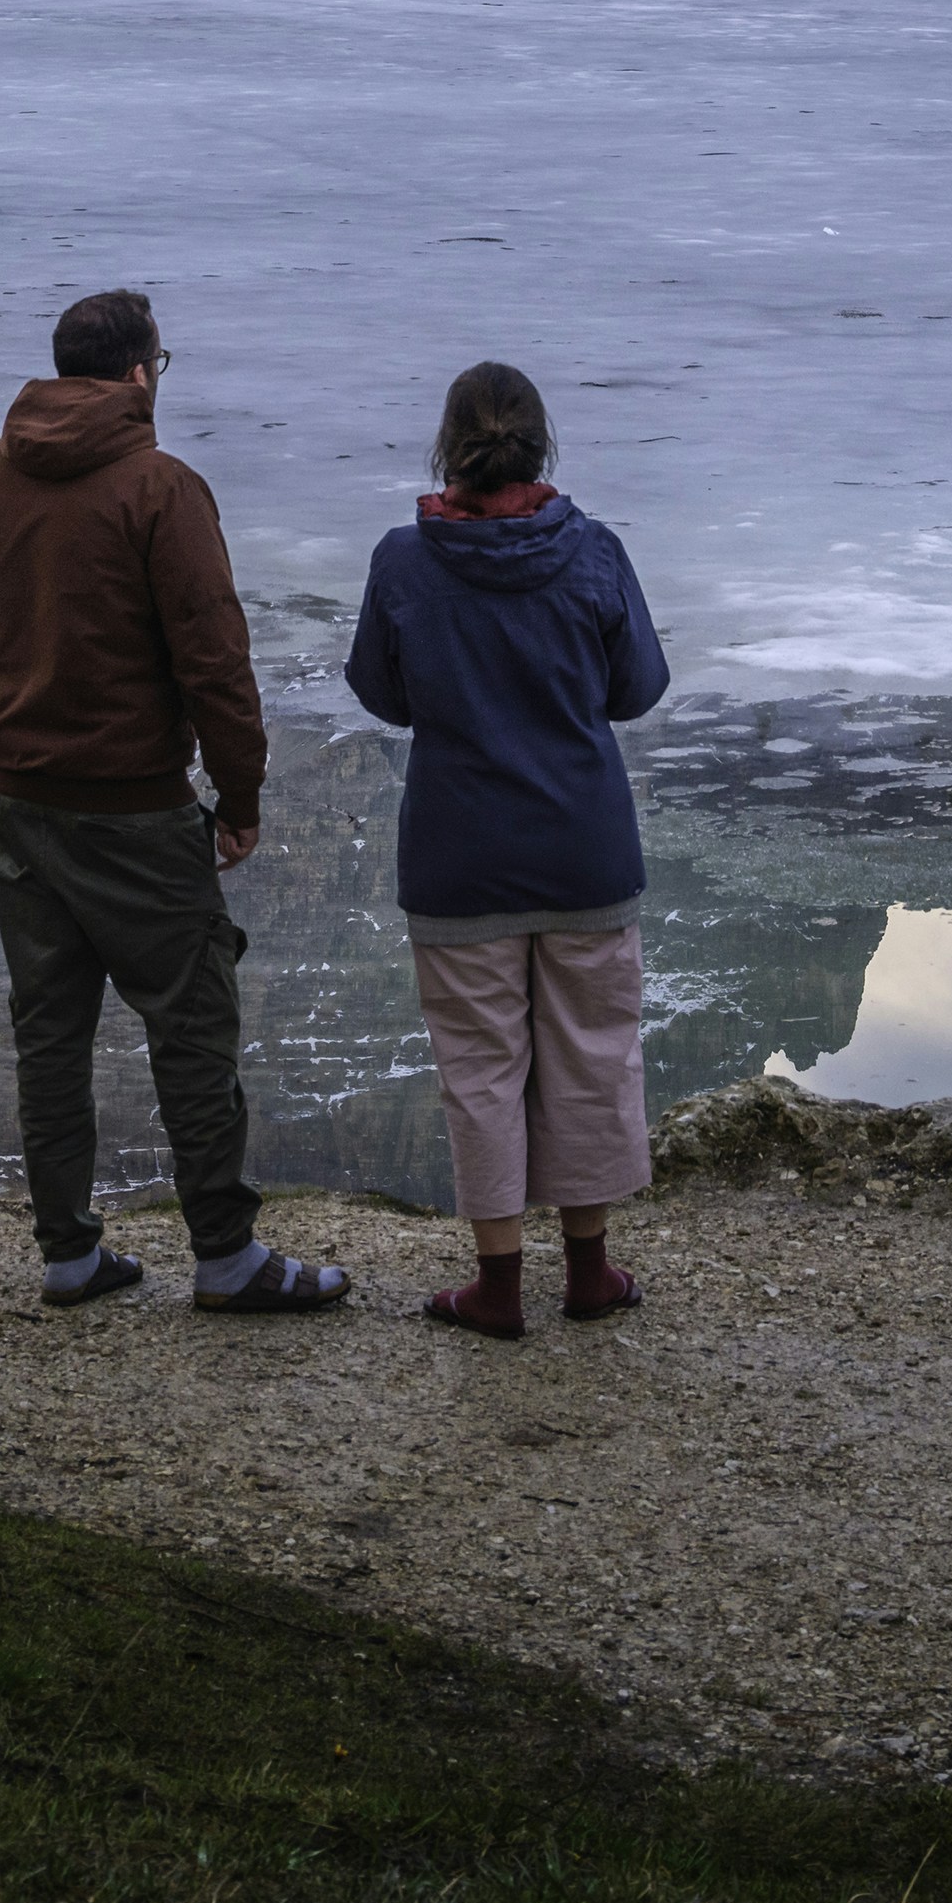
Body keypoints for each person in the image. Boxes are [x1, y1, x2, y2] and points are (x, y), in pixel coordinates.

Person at [0, 286, 350, 1316]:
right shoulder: (161, 489)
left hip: (23, 809)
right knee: (193, 1024)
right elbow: (217, 664)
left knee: (52, 1035)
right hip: (138, 810)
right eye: (164, 363)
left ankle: (70, 1253)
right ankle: (225, 1254)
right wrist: (238, 794)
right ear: (138, 375)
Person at [339, 359, 670, 1338]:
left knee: (480, 1069)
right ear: (541, 443)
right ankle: (589, 1271)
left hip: (458, 855)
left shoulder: (405, 561)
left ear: (450, 445)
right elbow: (638, 686)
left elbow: (380, 691)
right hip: (584, 850)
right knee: (593, 1058)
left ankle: (495, 1285)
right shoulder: (595, 553)